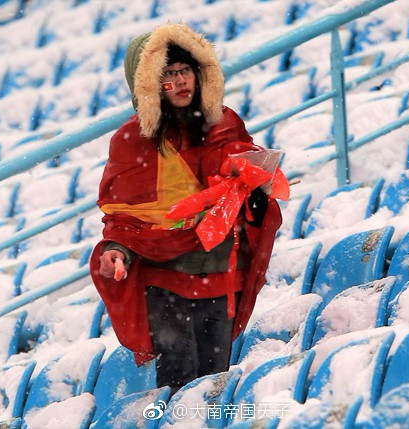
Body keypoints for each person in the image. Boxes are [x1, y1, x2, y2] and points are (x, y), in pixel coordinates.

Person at [89, 23, 285, 394]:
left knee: (215, 379)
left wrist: (256, 191)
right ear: (147, 84)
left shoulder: (224, 124)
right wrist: (116, 252)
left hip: (220, 272)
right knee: (179, 377)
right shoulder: (131, 142)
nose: (180, 82)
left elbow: (248, 202)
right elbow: (125, 219)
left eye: (185, 71)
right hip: (163, 278)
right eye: (167, 75)